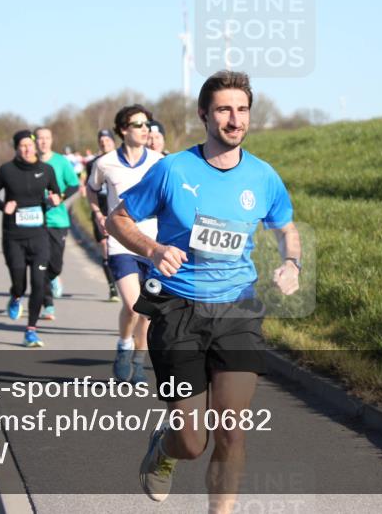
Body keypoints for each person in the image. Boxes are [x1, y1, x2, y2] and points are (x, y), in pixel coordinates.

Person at [106, 71, 301, 510]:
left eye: (242, 110)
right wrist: (153, 249)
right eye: (224, 110)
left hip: (237, 309)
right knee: (192, 442)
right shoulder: (172, 169)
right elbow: (116, 219)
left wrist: (292, 263)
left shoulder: (263, 176)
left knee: (232, 429)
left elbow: (286, 227)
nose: (235, 120)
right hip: (178, 309)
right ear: (203, 115)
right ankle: (165, 449)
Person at [87, 106, 163, 383]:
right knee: (133, 306)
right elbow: (92, 190)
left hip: (153, 244)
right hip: (120, 244)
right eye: (138, 124)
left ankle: (139, 362)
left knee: (148, 311)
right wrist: (97, 214)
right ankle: (123, 346)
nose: (146, 129)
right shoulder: (105, 163)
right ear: (123, 130)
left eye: (148, 124)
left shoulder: (159, 161)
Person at [0, 130, 61, 348]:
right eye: (22, 146)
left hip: (38, 235)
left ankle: (31, 330)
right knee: (19, 283)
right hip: (14, 236)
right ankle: (16, 296)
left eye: (29, 145)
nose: (27, 149)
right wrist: (3, 206)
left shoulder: (46, 170)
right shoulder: (6, 170)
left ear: (35, 146)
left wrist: (54, 200)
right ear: (17, 148)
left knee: (39, 284)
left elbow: (55, 194)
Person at [34, 127, 80, 320]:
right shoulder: (30, 163)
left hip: (58, 220)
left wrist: (60, 197)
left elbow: (74, 184)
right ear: (35, 141)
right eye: (40, 138)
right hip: (36, 222)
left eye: (46, 138)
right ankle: (48, 305)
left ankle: (54, 277)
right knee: (40, 264)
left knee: (55, 265)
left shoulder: (60, 161)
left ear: (51, 140)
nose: (43, 142)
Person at [83, 129, 120, 302]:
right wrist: (97, 212)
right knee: (105, 249)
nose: (104, 143)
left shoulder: (122, 160)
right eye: (101, 141)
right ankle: (112, 287)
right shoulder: (93, 164)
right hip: (101, 212)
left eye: (107, 140)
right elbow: (88, 189)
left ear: (114, 141)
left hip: (119, 213)